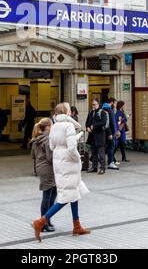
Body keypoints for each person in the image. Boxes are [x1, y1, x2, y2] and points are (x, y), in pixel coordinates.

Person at [32, 102, 90, 242]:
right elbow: (71, 148)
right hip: (69, 162)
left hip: (59, 161)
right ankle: (40, 222)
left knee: (74, 192)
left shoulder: (55, 126)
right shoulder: (68, 125)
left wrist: (75, 134)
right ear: (67, 111)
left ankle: (77, 225)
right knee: (66, 196)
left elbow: (53, 145)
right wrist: (77, 159)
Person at [31, 118, 56, 232]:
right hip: (47, 169)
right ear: (47, 127)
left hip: (41, 168)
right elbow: (50, 157)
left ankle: (47, 219)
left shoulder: (37, 138)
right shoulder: (47, 139)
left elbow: (33, 155)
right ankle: (43, 223)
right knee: (47, 196)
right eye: (52, 126)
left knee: (52, 194)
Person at [85, 99, 107, 174]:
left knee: (101, 153)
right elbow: (87, 122)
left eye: (94, 104)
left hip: (100, 135)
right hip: (92, 136)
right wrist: (87, 127)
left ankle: (102, 168)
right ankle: (94, 167)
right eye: (92, 104)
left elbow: (103, 122)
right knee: (93, 152)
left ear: (98, 104)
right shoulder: (91, 112)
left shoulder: (102, 112)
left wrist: (94, 126)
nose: (93, 106)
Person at [102, 98, 120, 170]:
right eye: (115, 104)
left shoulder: (102, 108)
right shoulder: (110, 110)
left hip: (104, 132)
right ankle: (111, 162)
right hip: (110, 132)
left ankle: (94, 158)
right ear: (112, 103)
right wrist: (115, 132)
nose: (115, 106)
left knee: (106, 146)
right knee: (111, 146)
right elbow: (112, 123)